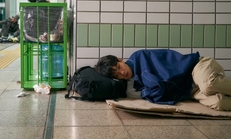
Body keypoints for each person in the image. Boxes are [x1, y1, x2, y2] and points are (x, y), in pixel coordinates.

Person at [95, 49, 231, 111]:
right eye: (117, 75)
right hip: (190, 90)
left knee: (208, 85)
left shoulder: (139, 57)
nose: (122, 72)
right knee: (219, 102)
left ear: (120, 59)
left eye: (119, 67)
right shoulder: (131, 86)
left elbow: (159, 81)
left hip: (196, 67)